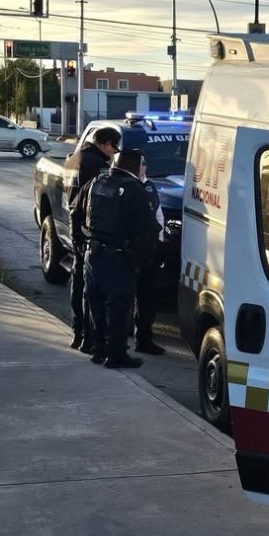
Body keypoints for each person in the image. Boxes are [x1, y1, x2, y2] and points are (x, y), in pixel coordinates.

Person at [70, 148, 159, 368]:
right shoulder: (134, 189)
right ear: (134, 166)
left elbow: (75, 213)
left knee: (96, 307)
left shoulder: (96, 183)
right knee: (118, 309)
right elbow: (147, 231)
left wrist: (79, 244)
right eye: (141, 166)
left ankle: (97, 350)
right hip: (119, 258)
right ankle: (116, 355)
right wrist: (139, 261)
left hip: (93, 256)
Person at [63, 126, 122, 352]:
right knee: (91, 288)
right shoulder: (98, 165)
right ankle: (88, 337)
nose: (113, 153)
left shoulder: (73, 158)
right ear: (106, 144)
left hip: (73, 221)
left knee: (77, 283)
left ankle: (77, 332)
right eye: (114, 149)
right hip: (89, 229)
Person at [133, 162, 166, 355]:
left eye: (144, 164)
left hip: (150, 252)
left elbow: (158, 217)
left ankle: (143, 339)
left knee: (147, 299)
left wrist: (159, 245)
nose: (142, 167)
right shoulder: (126, 186)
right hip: (128, 252)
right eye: (139, 164)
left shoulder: (149, 186)